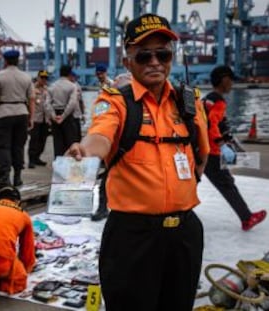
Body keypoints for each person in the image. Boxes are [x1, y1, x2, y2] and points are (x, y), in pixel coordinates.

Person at [66, 13, 210, 311]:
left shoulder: (190, 101)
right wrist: (85, 150)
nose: (155, 62)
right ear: (128, 60)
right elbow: (101, 135)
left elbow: (202, 155)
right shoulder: (116, 101)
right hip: (132, 237)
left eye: (163, 53)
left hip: (184, 234)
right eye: (144, 55)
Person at [203, 65, 266, 231]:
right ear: (224, 80)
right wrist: (222, 145)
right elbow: (212, 125)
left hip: (202, 150)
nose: (231, 84)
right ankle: (247, 218)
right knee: (226, 184)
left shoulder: (208, 99)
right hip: (213, 152)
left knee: (192, 182)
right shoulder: (218, 101)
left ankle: (173, 212)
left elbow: (210, 123)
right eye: (231, 80)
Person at [0, 50, 35, 188]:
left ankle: (5, 178)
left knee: (4, 147)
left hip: (4, 113)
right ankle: (18, 177)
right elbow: (31, 99)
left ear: (5, 61)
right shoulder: (26, 77)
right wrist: (31, 117)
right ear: (18, 61)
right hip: (22, 112)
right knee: (19, 147)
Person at [44, 64, 78, 157]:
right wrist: (63, 116)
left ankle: (58, 163)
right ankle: (69, 163)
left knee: (57, 141)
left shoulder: (52, 86)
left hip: (55, 115)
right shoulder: (72, 86)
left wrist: (53, 116)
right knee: (70, 141)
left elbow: (47, 104)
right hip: (67, 116)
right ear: (69, 73)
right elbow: (72, 103)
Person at [28, 70, 50, 169]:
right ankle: (31, 160)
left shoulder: (47, 89)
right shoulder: (31, 89)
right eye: (42, 77)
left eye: (45, 78)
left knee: (43, 140)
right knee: (34, 140)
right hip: (35, 118)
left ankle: (37, 157)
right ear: (38, 77)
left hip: (45, 119)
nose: (44, 80)